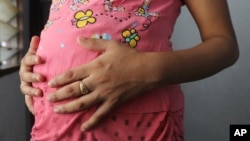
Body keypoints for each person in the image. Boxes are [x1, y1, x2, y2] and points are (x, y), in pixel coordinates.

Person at [19, 0, 239, 140]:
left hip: (137, 124)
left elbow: (224, 44)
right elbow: (69, 21)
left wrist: (145, 71)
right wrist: (38, 61)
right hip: (54, 122)